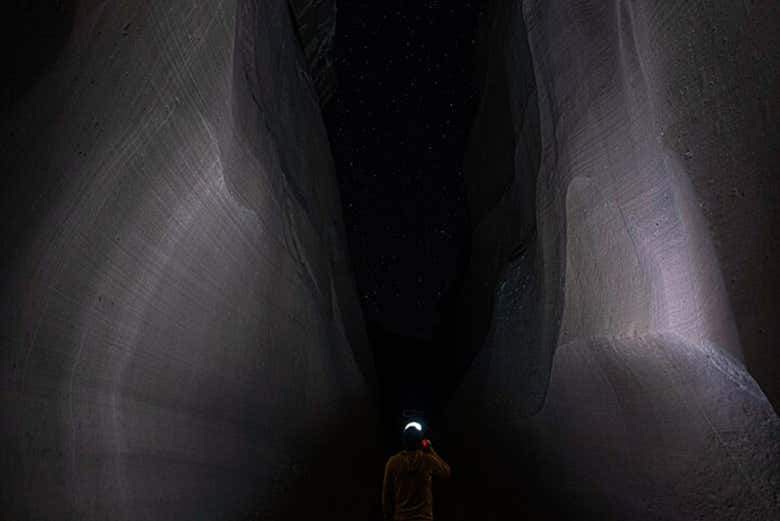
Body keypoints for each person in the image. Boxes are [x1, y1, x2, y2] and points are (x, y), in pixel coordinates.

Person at [382, 422, 451, 521]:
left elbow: (386, 495)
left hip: (401, 518)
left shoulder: (393, 462)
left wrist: (388, 516)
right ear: (420, 442)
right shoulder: (427, 460)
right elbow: (446, 471)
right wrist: (431, 450)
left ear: (404, 441)